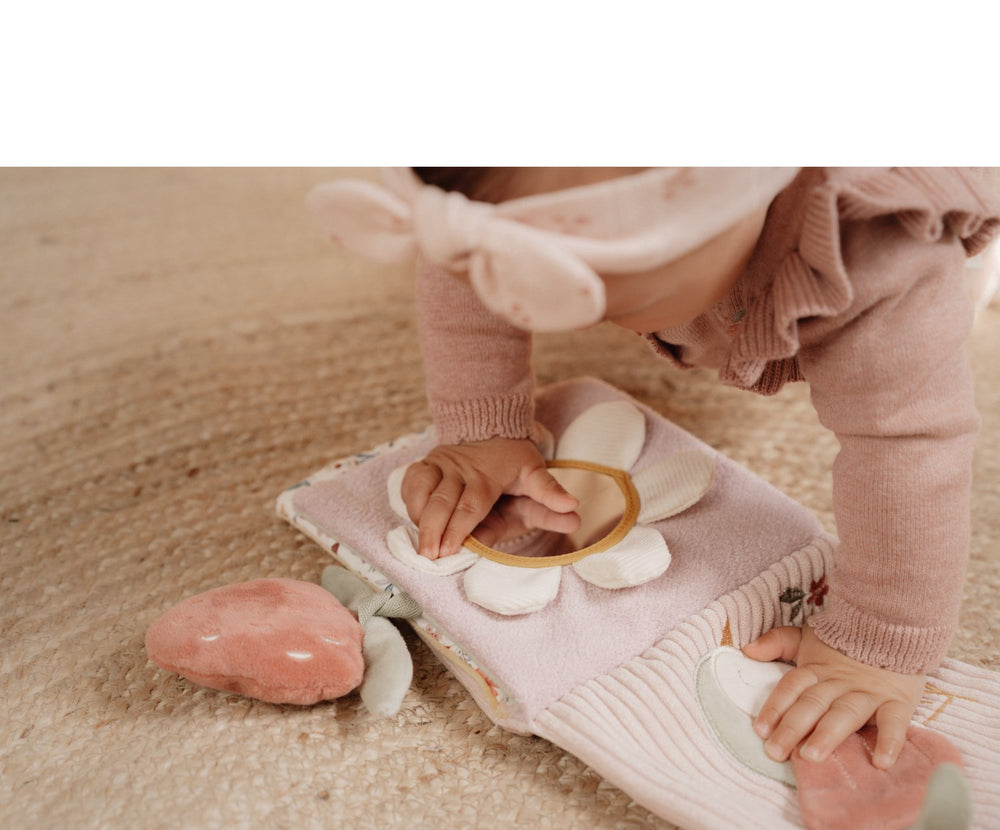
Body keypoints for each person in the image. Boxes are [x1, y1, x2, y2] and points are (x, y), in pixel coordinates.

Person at [307, 166, 1000, 774]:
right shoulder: (496, 202)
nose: (565, 313)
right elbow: (472, 260)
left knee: (909, 352)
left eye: (609, 298)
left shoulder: (880, 251)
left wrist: (879, 638)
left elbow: (911, 440)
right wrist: (483, 430)